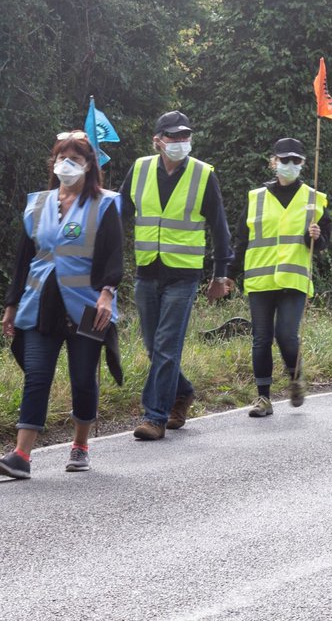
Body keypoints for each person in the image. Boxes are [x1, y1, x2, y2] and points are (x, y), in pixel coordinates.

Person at [0, 133, 123, 479]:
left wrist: (107, 293)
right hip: (39, 304)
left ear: (89, 166)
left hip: (87, 306)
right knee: (36, 376)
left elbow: (113, 254)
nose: (67, 165)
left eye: (75, 160)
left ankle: (80, 446)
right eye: (61, 159)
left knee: (82, 378)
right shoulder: (37, 204)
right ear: (52, 164)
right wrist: (11, 304)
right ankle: (21, 455)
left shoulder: (105, 204)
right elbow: (22, 259)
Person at [121, 111, 233, 440]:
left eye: (185, 137)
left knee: (167, 346)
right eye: (173, 137)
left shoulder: (203, 174)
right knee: (152, 347)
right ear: (157, 141)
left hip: (184, 276)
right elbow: (120, 215)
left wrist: (219, 275)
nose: (180, 143)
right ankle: (182, 391)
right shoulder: (140, 169)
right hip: (147, 271)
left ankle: (154, 416)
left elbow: (219, 229)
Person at [235, 138, 331, 417]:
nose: (289, 165)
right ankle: (263, 398)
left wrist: (316, 237)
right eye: (284, 160)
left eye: (295, 161)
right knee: (261, 338)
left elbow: (325, 240)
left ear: (303, 164)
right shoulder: (256, 197)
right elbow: (242, 238)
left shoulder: (314, 198)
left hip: (293, 278)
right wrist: (227, 275)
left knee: (286, 335)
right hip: (260, 279)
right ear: (273, 161)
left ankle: (295, 376)